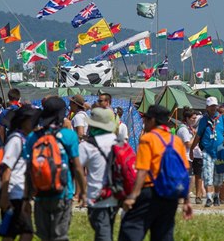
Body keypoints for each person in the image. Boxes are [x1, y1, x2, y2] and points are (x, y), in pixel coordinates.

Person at [119, 105, 192, 241]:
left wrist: (133, 196)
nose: (144, 123)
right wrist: (186, 200)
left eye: (145, 120)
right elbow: (184, 172)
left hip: (150, 192)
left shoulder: (148, 139)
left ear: (152, 120)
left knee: (131, 229)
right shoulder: (175, 141)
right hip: (171, 194)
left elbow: (143, 170)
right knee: (164, 234)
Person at [22, 96, 87, 241]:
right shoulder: (69, 136)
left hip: (40, 193)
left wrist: (26, 197)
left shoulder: (33, 137)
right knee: (60, 235)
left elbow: (28, 169)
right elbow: (77, 167)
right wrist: (82, 191)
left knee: (44, 236)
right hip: (64, 192)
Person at [0, 106, 39, 241]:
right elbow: (7, 168)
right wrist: (4, 195)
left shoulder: (26, 139)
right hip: (13, 192)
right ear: (23, 121)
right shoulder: (16, 140)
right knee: (23, 232)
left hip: (21, 192)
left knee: (14, 232)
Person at [79, 108, 120, 241]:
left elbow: (77, 167)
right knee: (106, 230)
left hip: (97, 197)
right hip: (116, 194)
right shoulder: (117, 141)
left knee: (103, 233)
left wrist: (81, 191)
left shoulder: (87, 145)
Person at [188, 97, 224, 208]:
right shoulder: (203, 120)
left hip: (220, 152)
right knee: (208, 175)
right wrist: (191, 149)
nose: (213, 108)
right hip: (207, 151)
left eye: (215, 106)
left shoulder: (222, 119)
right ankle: (209, 198)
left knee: (219, 177)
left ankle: (216, 196)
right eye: (211, 106)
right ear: (207, 107)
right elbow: (198, 136)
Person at [179, 108, 204, 204]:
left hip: (196, 154)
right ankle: (182, 196)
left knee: (198, 175)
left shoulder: (190, 128)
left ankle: (198, 196)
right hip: (186, 155)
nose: (195, 120)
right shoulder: (183, 129)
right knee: (186, 177)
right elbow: (188, 144)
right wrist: (196, 136)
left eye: (195, 118)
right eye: (193, 118)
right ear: (187, 118)